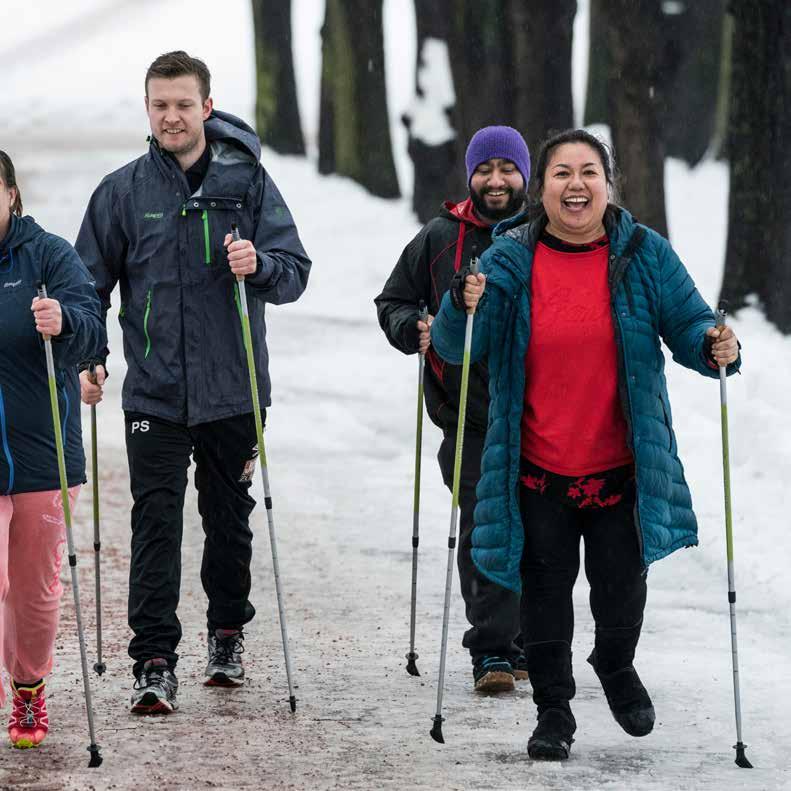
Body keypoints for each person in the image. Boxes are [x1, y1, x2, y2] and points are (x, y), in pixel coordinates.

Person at [430, 128, 741, 759]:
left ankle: (615, 663)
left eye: (589, 173)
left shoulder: (643, 253)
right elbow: (456, 347)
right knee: (544, 595)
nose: (576, 185)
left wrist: (714, 347)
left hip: (621, 467)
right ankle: (553, 712)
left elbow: (689, 323)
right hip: (539, 467)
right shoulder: (509, 258)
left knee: (622, 586)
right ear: (540, 188)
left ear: (608, 182)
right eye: (562, 174)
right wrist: (460, 306)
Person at [76, 51, 311, 714]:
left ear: (207, 107)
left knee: (228, 519)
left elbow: (294, 271)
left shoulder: (248, 185)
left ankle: (227, 634)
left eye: (183, 103)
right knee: (154, 520)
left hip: (233, 389)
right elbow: (84, 286)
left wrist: (259, 262)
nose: (171, 115)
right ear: (147, 109)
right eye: (160, 104)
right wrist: (86, 355)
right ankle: (153, 656)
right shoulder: (122, 191)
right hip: (154, 390)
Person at [375, 126, 530, 692]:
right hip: (464, 410)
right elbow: (392, 299)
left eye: (507, 169)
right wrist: (410, 325)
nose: (495, 180)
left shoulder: (546, 234)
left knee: (539, 532)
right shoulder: (441, 236)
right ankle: (492, 651)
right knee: (486, 526)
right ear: (470, 175)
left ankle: (528, 644)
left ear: (525, 176)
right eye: (485, 169)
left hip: (538, 413)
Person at [0, 151, 105, 748]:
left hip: (41, 456)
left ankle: (29, 690)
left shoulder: (48, 258)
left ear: (12, 194)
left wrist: (65, 321)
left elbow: (94, 329)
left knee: (36, 591)